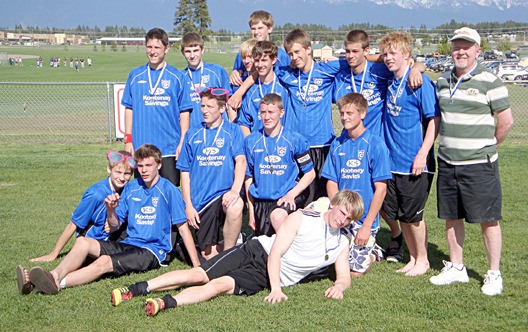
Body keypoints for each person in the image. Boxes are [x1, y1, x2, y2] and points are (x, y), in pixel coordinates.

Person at [110, 189, 363, 317]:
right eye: (342, 213)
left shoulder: (341, 243)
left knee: (219, 286)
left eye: (350, 219)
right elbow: (275, 253)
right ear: (333, 205)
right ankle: (136, 289)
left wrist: (340, 286)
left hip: (264, 277)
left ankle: (164, 303)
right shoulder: (302, 219)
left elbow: (344, 276)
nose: (344, 221)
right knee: (199, 274)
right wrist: (276, 289)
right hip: (257, 252)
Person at [18, 144, 200, 295]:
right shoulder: (132, 187)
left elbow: (183, 229)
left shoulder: (169, 191)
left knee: (103, 262)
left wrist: (197, 266)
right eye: (141, 166)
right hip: (130, 243)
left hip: (152, 251)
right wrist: (110, 210)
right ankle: (53, 276)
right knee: (82, 242)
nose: (144, 171)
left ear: (159, 165)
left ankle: (52, 283)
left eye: (148, 165)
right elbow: (114, 227)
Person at [429, 27, 513, 296]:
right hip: (448, 162)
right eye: (456, 47)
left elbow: (505, 122)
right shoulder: (442, 81)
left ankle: (493, 273)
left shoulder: (491, 81)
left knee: (488, 220)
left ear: (478, 50)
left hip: (480, 164)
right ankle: (456, 267)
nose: (460, 51)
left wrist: (487, 147)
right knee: (452, 217)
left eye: (467, 47)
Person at [332, 29, 425, 263]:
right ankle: (364, 233)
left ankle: (395, 237)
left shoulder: (379, 70)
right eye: (347, 52)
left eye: (356, 51)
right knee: (356, 193)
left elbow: (407, 61)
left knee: (380, 195)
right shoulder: (341, 75)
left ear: (366, 51)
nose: (351, 56)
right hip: (350, 143)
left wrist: (416, 67)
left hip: (377, 144)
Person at [379, 31, 440, 277]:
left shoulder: (420, 83)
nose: (388, 57)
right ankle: (413, 257)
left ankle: (423, 259)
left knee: (414, 216)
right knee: (401, 214)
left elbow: (434, 120)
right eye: (385, 53)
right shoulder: (390, 81)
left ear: (406, 55)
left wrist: (422, 154)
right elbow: (368, 57)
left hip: (414, 162)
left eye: (393, 53)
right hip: (392, 162)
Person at [322, 92, 392, 277]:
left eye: (349, 113)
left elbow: (381, 189)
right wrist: (337, 210)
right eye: (342, 113)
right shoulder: (337, 144)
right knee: (324, 265)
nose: (344, 117)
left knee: (354, 273)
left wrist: (367, 225)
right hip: (341, 217)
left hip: (363, 220)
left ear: (362, 114)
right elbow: (331, 181)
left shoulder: (375, 144)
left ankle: (373, 250)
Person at [28, 150, 135, 264]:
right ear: (109, 169)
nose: (122, 178)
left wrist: (113, 222)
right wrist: (53, 254)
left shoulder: (128, 190)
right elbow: (73, 224)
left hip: (113, 233)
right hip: (94, 238)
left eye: (127, 173)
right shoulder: (96, 194)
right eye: (118, 172)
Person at [177, 88, 246, 260]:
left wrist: (235, 190)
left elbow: (241, 161)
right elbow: (184, 172)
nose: (205, 111)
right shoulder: (192, 134)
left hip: (223, 195)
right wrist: (188, 205)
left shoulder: (233, 131)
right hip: (201, 201)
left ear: (222, 108)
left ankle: (229, 255)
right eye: (202, 106)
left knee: (236, 205)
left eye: (210, 106)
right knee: (208, 256)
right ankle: (239, 244)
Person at [121, 27, 192, 186]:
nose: (152, 52)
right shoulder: (135, 75)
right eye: (149, 47)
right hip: (142, 148)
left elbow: (185, 112)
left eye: (157, 47)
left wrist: (182, 142)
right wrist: (128, 139)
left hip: (169, 149)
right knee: (143, 194)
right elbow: (129, 109)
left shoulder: (177, 77)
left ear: (166, 49)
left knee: (169, 193)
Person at [244, 93, 315, 236]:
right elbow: (248, 178)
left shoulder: (294, 140)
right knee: (263, 246)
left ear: (281, 113)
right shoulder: (251, 141)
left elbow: (310, 173)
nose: (267, 117)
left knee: (277, 219)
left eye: (271, 112)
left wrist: (291, 195)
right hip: (261, 201)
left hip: (286, 198)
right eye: (263, 112)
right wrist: (251, 212)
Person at [236, 40, 290, 137]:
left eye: (264, 60)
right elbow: (244, 123)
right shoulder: (250, 91)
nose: (260, 65)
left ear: (273, 60)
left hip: (283, 145)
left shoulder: (285, 85)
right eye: (257, 60)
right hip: (259, 147)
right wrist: (251, 143)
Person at [180, 32, 231, 128]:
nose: (192, 55)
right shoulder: (180, 77)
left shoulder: (217, 71)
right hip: (194, 132)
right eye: (188, 51)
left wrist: (231, 126)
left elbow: (229, 102)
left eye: (195, 50)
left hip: (218, 130)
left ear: (202, 50)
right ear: (183, 52)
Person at [229, 10, 290, 87]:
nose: (256, 32)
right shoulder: (243, 53)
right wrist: (235, 72)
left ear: (269, 29)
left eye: (260, 28)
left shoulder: (281, 55)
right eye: (253, 28)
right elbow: (238, 71)